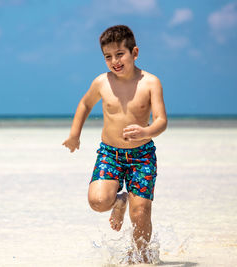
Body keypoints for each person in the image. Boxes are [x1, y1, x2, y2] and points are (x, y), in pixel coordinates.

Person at [62, 25, 167, 262]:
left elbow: (161, 121)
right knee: (98, 202)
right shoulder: (102, 82)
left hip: (142, 155)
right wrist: (74, 134)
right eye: (108, 56)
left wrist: (146, 131)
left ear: (134, 53)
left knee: (140, 212)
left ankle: (139, 258)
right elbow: (85, 104)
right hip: (110, 154)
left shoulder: (150, 83)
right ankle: (120, 200)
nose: (114, 61)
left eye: (120, 54)